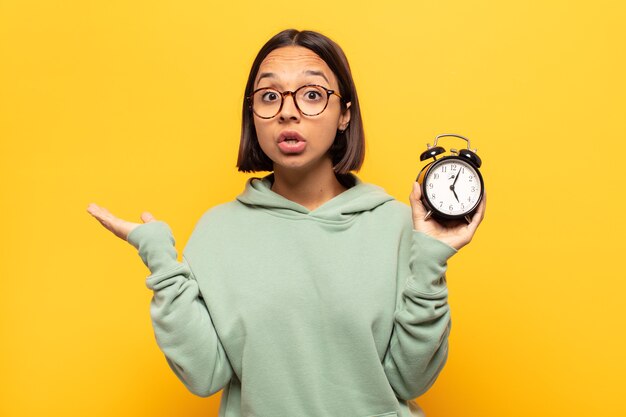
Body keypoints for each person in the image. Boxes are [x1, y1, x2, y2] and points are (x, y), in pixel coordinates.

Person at [87, 28, 485, 417]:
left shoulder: (397, 224)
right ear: (253, 114)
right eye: (269, 96)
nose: (288, 111)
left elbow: (409, 380)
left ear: (345, 114)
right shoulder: (217, 231)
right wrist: (162, 264)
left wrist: (431, 257)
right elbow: (206, 375)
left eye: (313, 94)